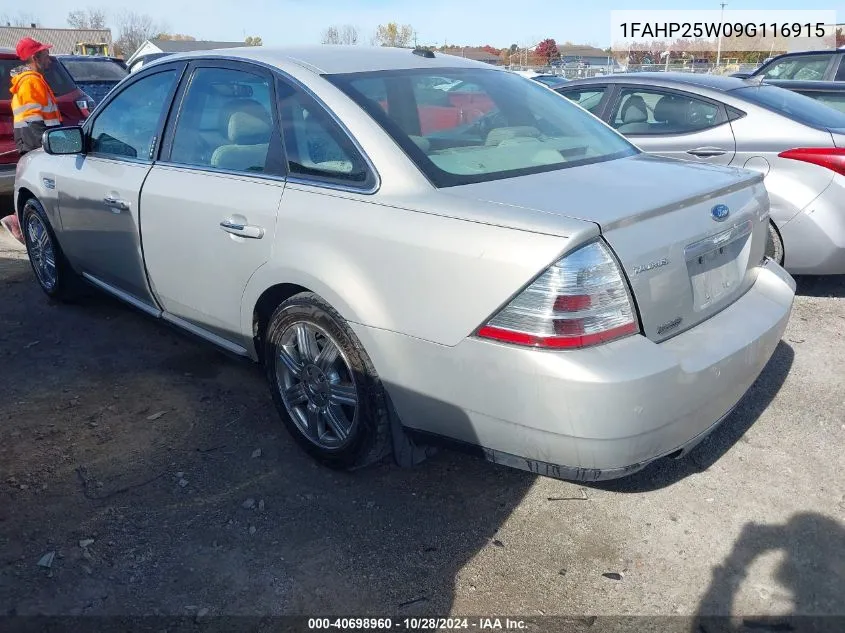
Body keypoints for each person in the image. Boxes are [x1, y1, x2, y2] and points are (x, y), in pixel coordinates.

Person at [1, 37, 62, 244]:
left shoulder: (30, 80)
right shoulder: (31, 82)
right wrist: (48, 145)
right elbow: (33, 120)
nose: (50, 60)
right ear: (35, 57)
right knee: (41, 190)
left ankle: (20, 222)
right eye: (45, 55)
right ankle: (19, 222)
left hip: (34, 141)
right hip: (37, 141)